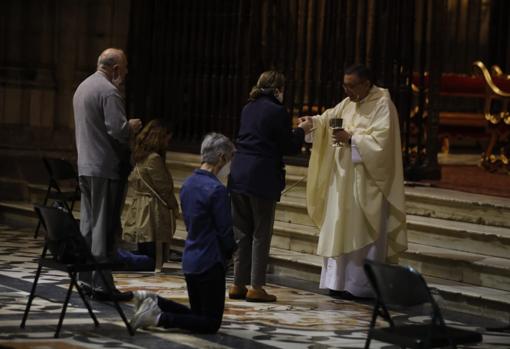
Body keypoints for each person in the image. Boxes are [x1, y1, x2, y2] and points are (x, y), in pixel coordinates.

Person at [301, 64, 407, 299]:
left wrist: (352, 139)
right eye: (344, 85)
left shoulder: (383, 105)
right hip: (342, 181)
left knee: (361, 232)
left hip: (367, 184)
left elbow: (383, 144)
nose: (346, 90)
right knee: (339, 226)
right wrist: (313, 122)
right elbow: (328, 117)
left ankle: (360, 286)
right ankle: (337, 282)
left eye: (351, 85)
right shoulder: (348, 103)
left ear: (366, 83)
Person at [129, 133, 236, 333]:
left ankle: (154, 301)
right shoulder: (217, 189)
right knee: (210, 323)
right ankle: (158, 317)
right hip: (210, 260)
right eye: (230, 159)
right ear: (221, 158)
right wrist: (230, 252)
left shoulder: (188, 184)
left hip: (191, 258)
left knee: (197, 315)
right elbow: (224, 230)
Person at [228, 71, 313, 302]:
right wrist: (302, 130)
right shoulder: (277, 111)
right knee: (260, 233)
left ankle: (237, 284)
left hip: (238, 173)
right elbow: (288, 145)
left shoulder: (248, 107)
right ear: (278, 90)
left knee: (242, 232)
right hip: (261, 176)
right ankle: (256, 286)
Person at [73, 48, 142, 301]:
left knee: (89, 225)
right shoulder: (109, 91)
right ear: (115, 69)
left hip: (85, 165)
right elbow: (117, 131)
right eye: (124, 70)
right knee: (103, 227)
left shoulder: (83, 87)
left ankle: (84, 279)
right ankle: (102, 285)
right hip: (104, 168)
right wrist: (131, 126)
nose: (125, 74)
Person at [120, 119, 179, 271]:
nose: (168, 142)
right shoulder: (154, 159)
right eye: (167, 138)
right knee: (154, 260)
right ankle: (119, 257)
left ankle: (120, 257)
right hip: (151, 212)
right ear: (159, 137)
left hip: (140, 208)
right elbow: (164, 188)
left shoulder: (139, 155)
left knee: (144, 250)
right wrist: (174, 207)